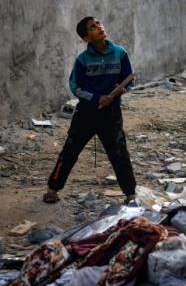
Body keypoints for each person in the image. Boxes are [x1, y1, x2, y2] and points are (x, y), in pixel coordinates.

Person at [43, 17, 136, 204]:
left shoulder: (120, 53)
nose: (99, 27)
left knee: (119, 153)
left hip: (111, 114)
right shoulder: (83, 60)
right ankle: (53, 188)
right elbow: (75, 86)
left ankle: (130, 193)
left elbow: (129, 78)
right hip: (86, 113)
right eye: (93, 27)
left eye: (99, 23)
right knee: (70, 150)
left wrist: (122, 90)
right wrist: (96, 98)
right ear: (87, 38)